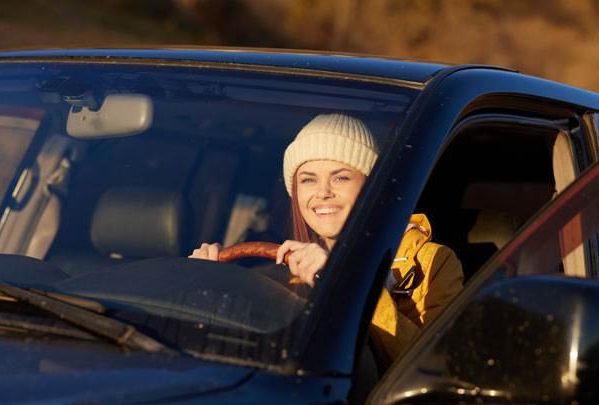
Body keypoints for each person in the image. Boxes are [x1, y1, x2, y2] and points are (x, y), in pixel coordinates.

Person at [190, 113, 463, 367]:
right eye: (308, 180)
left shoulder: (432, 263)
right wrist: (203, 292)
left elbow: (436, 368)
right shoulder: (280, 273)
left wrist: (343, 278)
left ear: (373, 186)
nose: (323, 193)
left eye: (341, 177)